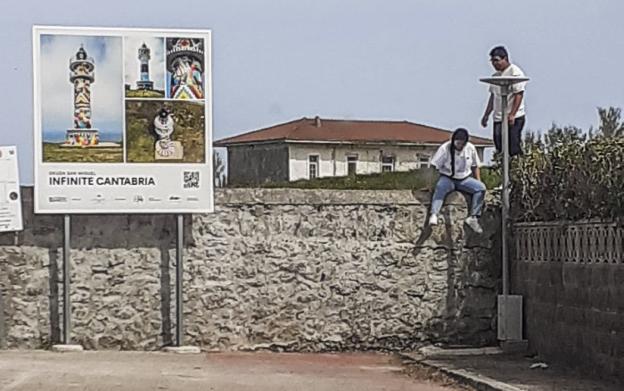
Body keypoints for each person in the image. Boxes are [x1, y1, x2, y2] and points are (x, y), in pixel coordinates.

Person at [428, 128, 486, 233]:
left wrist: (478, 180)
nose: (460, 146)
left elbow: (475, 166)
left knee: (480, 188)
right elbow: (434, 166)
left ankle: (473, 217)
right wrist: (430, 183)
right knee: (440, 188)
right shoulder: (445, 148)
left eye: (462, 144)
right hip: (448, 177)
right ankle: (434, 214)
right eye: (458, 143)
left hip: (464, 178)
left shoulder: (470, 148)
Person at [481, 46, 527, 156]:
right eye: (492, 61)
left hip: (514, 117)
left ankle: (517, 166)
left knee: (513, 144)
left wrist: (512, 114)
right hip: (499, 117)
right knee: (499, 143)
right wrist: (486, 114)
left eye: (496, 60)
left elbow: (518, 94)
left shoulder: (515, 73)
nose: (494, 64)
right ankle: (503, 166)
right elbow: (493, 97)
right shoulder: (496, 77)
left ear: (505, 58)